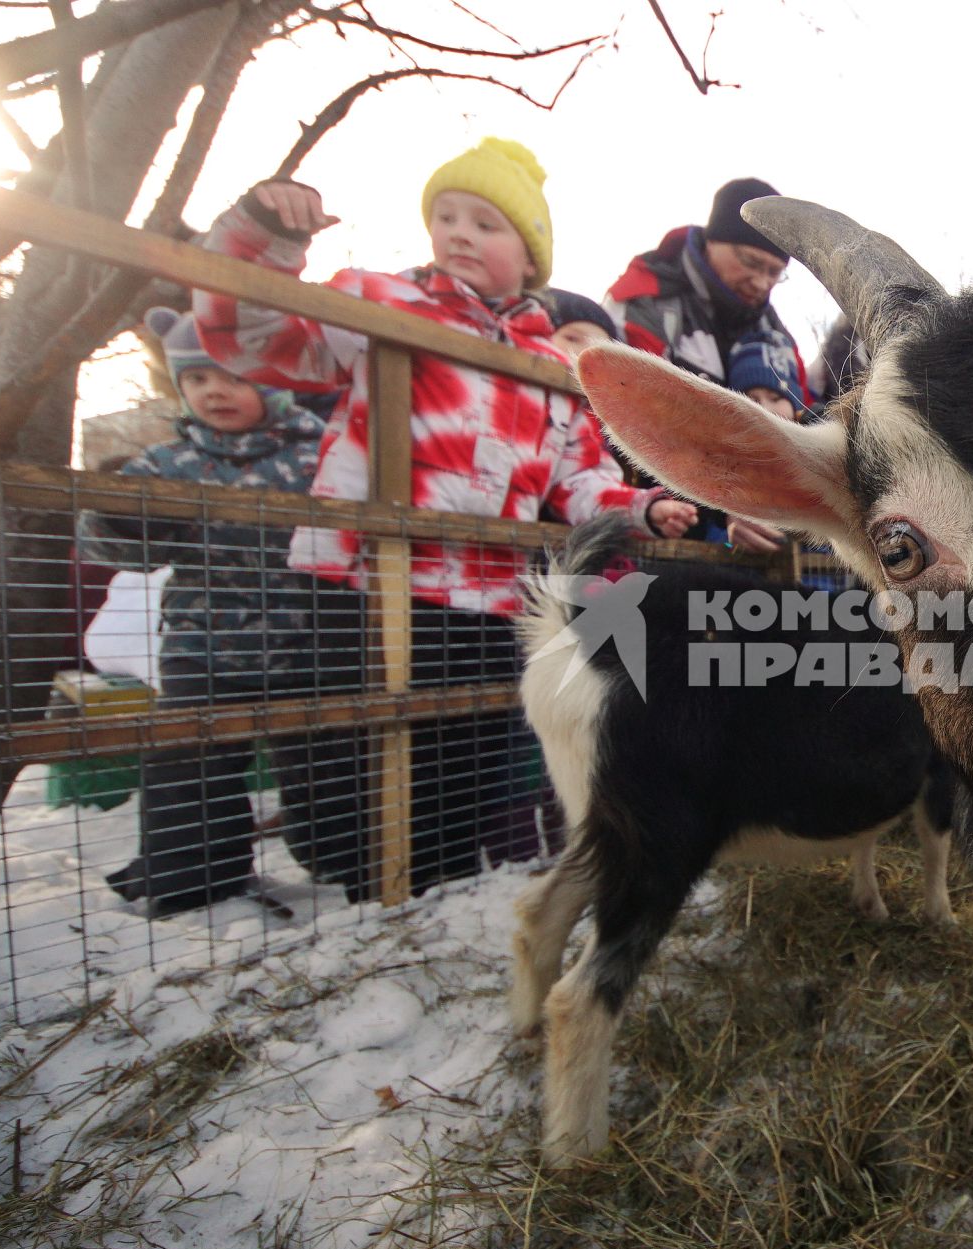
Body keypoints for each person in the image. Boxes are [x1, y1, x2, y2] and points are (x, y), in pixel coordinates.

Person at [193, 137, 695, 900]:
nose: (459, 233)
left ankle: (431, 897)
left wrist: (644, 505)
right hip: (360, 584)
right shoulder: (381, 303)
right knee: (340, 761)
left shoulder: (551, 371)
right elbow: (251, 334)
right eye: (447, 215)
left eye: (487, 224)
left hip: (484, 601)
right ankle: (358, 880)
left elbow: (581, 481)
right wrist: (264, 234)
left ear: (530, 259)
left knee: (458, 767)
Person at [78, 307, 328, 917]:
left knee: (329, 767)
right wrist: (119, 514)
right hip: (203, 643)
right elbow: (114, 550)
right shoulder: (168, 463)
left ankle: (346, 860)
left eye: (232, 375)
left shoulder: (320, 455)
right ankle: (189, 883)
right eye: (196, 379)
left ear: (271, 378)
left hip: (310, 642)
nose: (214, 390)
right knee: (185, 767)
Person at [603, 177, 807, 550]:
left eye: (775, 273)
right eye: (750, 262)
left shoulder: (777, 334)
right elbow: (630, 418)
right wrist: (722, 506)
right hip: (656, 525)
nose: (761, 282)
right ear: (714, 240)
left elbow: (802, 419)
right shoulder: (643, 304)